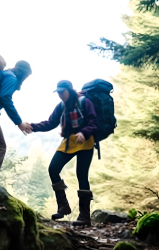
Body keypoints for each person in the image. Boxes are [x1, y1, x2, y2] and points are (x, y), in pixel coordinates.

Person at [30, 80, 98, 226]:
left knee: (82, 175)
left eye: (62, 92)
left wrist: (84, 133)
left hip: (86, 141)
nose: (60, 95)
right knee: (53, 169)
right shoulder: (61, 106)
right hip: (69, 142)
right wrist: (32, 126)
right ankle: (63, 206)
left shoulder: (84, 102)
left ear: (69, 90)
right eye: (58, 92)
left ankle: (84, 217)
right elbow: (50, 123)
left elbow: (93, 121)